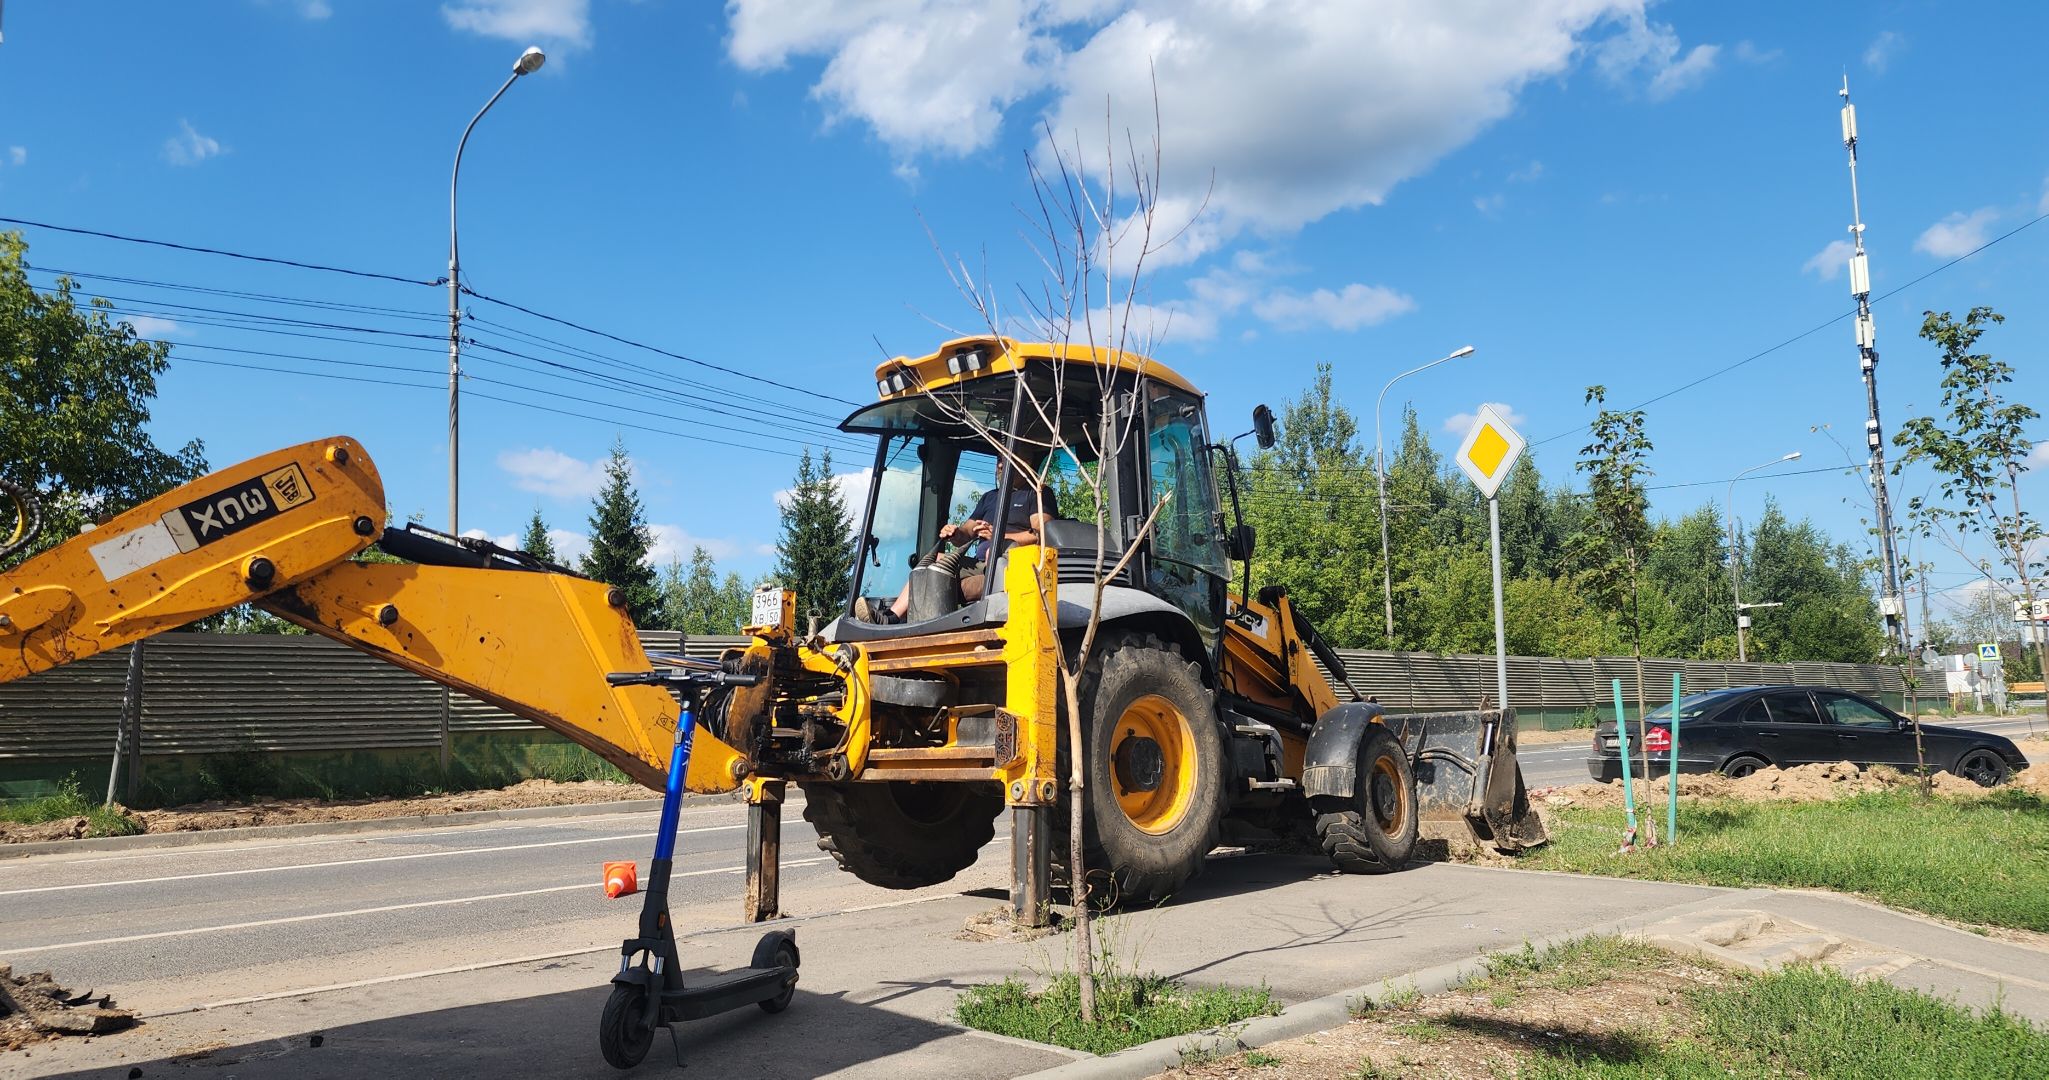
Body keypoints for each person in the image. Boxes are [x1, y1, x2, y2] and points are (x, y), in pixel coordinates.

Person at [863, 443, 1052, 623]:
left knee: (985, 560)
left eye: (1007, 459)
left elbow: (1042, 535)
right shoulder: (990, 498)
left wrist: (999, 536)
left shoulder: (1037, 494)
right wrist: (954, 533)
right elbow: (966, 532)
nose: (1000, 464)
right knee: (932, 561)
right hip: (981, 564)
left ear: (1025, 462)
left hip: (1013, 566)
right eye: (998, 459)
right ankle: (892, 617)